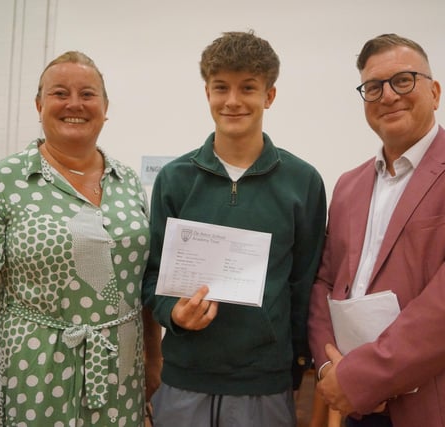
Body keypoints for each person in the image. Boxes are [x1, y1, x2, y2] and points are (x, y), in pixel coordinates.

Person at [307, 33, 445, 427]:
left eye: (404, 80)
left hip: (444, 400)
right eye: (373, 87)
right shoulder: (348, 185)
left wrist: (363, 375)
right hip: (358, 402)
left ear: (436, 91)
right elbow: (325, 282)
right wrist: (329, 366)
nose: (389, 96)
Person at [0, 51, 161, 427]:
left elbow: (140, 285)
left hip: (119, 377)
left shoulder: (129, 186)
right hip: (33, 378)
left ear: (105, 107)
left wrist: (153, 361)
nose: (74, 103)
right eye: (60, 93)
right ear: (39, 104)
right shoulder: (1, 182)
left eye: (88, 94)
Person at [142, 30, 327, 427]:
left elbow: (304, 284)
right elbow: (151, 277)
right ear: (206, 92)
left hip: (265, 384)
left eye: (248, 88)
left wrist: (296, 367)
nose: (232, 101)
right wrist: (174, 312)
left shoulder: (303, 182)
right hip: (184, 377)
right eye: (220, 87)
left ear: (269, 96)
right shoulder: (174, 179)